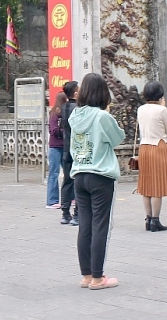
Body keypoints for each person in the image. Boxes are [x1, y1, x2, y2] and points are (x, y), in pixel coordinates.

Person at [69, 73, 125, 290]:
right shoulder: (102, 117)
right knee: (100, 225)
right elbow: (118, 138)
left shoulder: (75, 115)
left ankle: (86, 274)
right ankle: (98, 277)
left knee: (85, 224)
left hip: (80, 174)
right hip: (100, 175)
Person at [136, 81, 167, 232]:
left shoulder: (140, 109)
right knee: (157, 185)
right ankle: (156, 221)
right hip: (158, 146)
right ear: (160, 95)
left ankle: (148, 218)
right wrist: (163, 106)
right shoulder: (161, 110)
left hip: (144, 147)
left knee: (146, 185)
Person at [59, 81, 79, 226]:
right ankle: (77, 214)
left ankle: (65, 213)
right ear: (76, 93)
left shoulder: (63, 107)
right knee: (78, 181)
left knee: (67, 181)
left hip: (66, 148)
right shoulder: (78, 109)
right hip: (77, 149)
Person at [46, 92, 67, 209]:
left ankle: (71, 197)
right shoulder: (54, 114)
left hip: (64, 146)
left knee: (69, 173)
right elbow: (54, 131)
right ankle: (51, 200)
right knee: (53, 173)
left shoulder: (66, 114)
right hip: (55, 147)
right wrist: (64, 132)